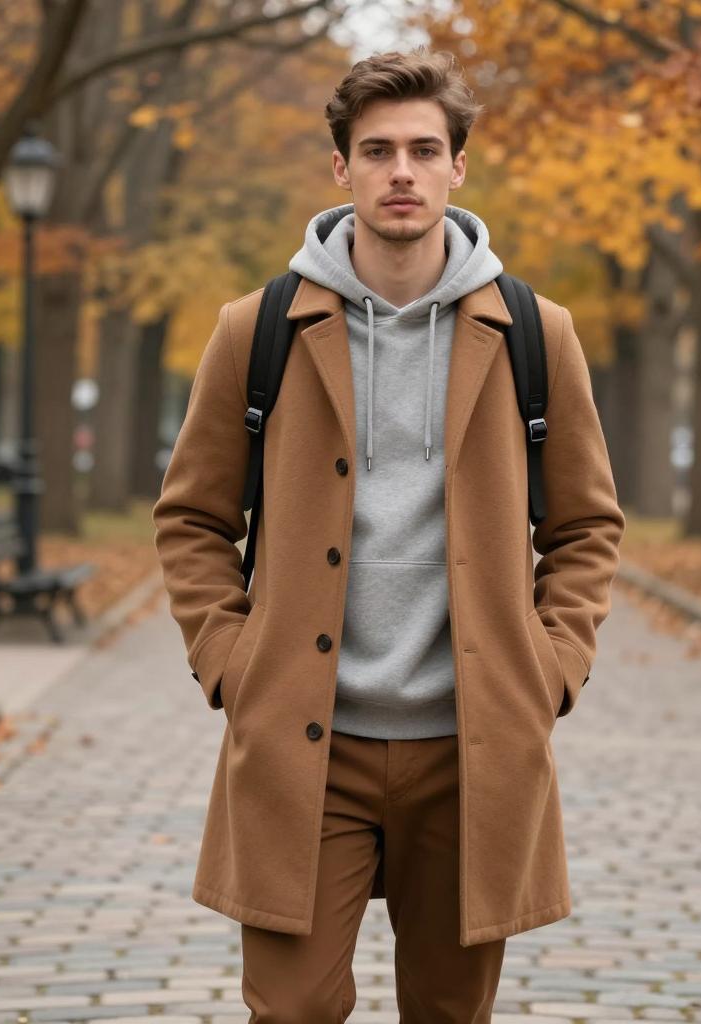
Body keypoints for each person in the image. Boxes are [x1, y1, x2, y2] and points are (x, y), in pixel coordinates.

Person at [152, 45, 625, 1023]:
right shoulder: (261, 326)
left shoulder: (537, 332)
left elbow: (584, 525)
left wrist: (552, 665)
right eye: (376, 151)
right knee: (290, 1009)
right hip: (301, 746)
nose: (400, 171)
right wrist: (232, 661)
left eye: (422, 149)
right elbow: (193, 515)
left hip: (472, 749)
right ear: (341, 170)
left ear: (458, 166)